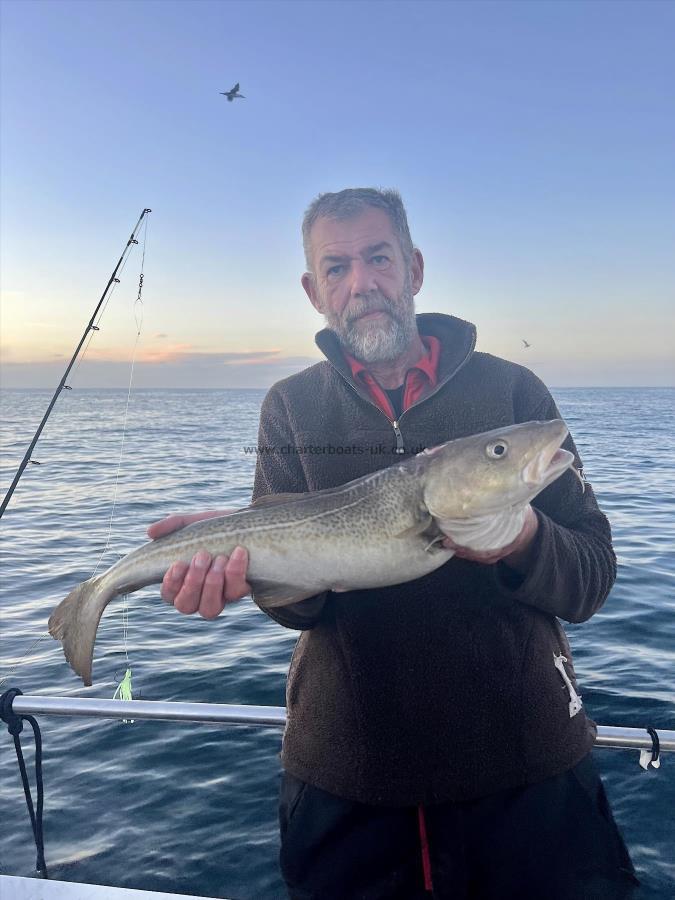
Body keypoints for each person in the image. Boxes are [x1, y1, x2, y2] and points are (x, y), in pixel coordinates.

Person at [148, 189, 638, 899]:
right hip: (349, 787)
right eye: (337, 267)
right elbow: (297, 607)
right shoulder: (288, 406)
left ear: (412, 268)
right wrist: (244, 571)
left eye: (378, 258)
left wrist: (522, 537)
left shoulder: (513, 392)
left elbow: (591, 578)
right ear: (314, 291)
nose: (361, 283)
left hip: (528, 772)